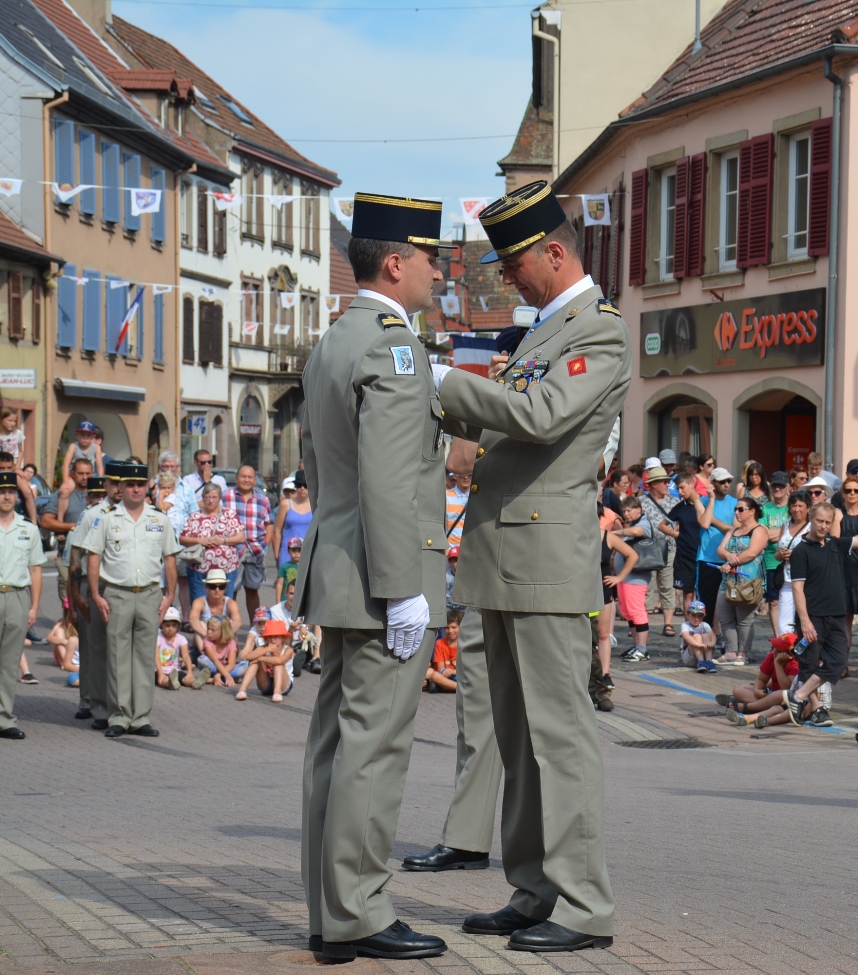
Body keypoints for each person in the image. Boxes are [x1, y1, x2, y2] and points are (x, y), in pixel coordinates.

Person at [436, 181, 628, 952]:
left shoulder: (599, 331)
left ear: (556, 252)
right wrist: (448, 402)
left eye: (515, 264)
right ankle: (534, 887)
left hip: (547, 557)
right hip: (507, 552)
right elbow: (497, 430)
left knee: (560, 736)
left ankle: (583, 903)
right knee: (516, 735)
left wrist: (446, 383)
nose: (506, 278)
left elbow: (544, 418)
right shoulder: (546, 329)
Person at [294, 191, 449, 961]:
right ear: (397, 262)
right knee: (373, 748)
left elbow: (323, 472)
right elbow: (390, 481)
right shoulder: (395, 347)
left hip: (338, 567)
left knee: (334, 746)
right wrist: (404, 587)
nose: (440, 272)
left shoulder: (332, 342)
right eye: (431, 258)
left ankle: (331, 913)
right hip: (384, 575)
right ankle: (359, 909)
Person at [83, 462, 180, 738]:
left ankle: (140, 717)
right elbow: (93, 556)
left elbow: (170, 557)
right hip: (117, 595)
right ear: (121, 488)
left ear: (146, 487)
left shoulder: (159, 519)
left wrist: (170, 594)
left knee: (144, 656)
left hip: (150, 593)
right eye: (129, 485)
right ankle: (119, 716)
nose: (135, 489)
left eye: (140, 485)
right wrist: (95, 594)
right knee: (117, 656)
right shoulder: (108, 518)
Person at [786, 502, 858, 725]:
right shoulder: (800, 551)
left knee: (838, 662)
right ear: (811, 519)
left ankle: (797, 696)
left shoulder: (835, 544)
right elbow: (797, 588)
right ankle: (816, 709)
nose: (824, 526)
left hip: (837, 614)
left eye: (828, 522)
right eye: (820, 521)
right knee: (808, 664)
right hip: (813, 617)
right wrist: (805, 621)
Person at [0, 470, 46, 739]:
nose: (6, 496)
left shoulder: (28, 529)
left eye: (10, 492)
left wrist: (34, 607)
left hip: (17, 597)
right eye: (2, 491)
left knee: (9, 662)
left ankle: (5, 719)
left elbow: (36, 571)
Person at [714, 497, 767, 666]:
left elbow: (752, 553)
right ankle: (730, 652)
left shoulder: (759, 530)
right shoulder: (733, 531)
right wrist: (727, 555)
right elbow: (720, 549)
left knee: (744, 619)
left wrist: (729, 562)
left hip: (748, 582)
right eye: (736, 509)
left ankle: (742, 653)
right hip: (728, 581)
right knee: (724, 615)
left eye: (741, 509)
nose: (737, 512)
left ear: (752, 511)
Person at [180, 483, 245, 601]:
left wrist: (222, 540)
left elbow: (241, 538)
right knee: (199, 605)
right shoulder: (195, 516)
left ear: (220, 499)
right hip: (199, 569)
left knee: (224, 605)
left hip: (226, 569)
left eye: (214, 497)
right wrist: (201, 541)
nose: (210, 501)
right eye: (207, 497)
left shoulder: (229, 515)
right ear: (203, 498)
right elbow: (183, 539)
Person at [224, 465, 273, 620]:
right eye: (243, 476)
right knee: (231, 590)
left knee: (252, 590)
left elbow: (269, 523)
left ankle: (255, 630)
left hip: (255, 550)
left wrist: (266, 543)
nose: (246, 480)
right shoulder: (225, 496)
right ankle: (229, 629)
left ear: (255, 480)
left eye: (250, 477)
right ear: (237, 478)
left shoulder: (263, 500)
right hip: (232, 550)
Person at [597, 508, 638, 686]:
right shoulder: (576, 536)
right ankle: (590, 674)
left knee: (603, 634)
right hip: (583, 591)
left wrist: (619, 578)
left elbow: (632, 555)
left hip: (603, 589)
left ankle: (606, 674)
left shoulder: (607, 537)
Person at [41, 458, 92, 601]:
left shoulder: (100, 494)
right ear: (73, 474)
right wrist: (72, 526)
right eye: (80, 473)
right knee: (68, 599)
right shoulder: (64, 493)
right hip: (67, 554)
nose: (84, 477)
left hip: (93, 554)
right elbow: (46, 521)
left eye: (88, 473)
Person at [154, 451, 196, 620]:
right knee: (161, 582)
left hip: (181, 543)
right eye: (166, 466)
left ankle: (185, 617)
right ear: (160, 468)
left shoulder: (186, 488)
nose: (170, 469)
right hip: (158, 543)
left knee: (183, 581)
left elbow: (193, 514)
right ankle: (162, 617)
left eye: (173, 466)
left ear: (178, 467)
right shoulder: (154, 486)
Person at [695, 467, 738, 630]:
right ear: (712, 483)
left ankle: (724, 637)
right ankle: (705, 635)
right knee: (707, 602)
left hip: (729, 559)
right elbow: (705, 523)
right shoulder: (703, 501)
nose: (727, 484)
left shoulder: (735, 503)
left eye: (729, 481)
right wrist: (712, 499)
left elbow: (735, 529)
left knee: (730, 602)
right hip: (707, 558)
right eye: (722, 482)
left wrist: (714, 520)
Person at [615, 496, 654, 662]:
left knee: (637, 612)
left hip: (636, 577)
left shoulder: (643, 523)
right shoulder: (631, 525)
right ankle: (636, 645)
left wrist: (616, 532)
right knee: (628, 612)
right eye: (624, 511)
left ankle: (642, 649)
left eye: (629, 510)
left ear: (638, 509)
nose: (626, 514)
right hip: (625, 576)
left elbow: (639, 532)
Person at [640, 466, 678, 636]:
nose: (667, 485)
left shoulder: (674, 502)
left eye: (668, 482)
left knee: (666, 586)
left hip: (668, 548)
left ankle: (668, 623)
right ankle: (642, 621)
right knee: (646, 587)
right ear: (653, 484)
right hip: (646, 549)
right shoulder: (641, 502)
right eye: (664, 482)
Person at [716, 634, 800, 708]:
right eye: (774, 648)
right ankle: (762, 705)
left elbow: (786, 688)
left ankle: (748, 705)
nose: (774, 652)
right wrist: (757, 690)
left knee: (782, 696)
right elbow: (761, 680)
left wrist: (778, 664)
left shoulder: (795, 664)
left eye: (778, 651)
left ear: (790, 655)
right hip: (770, 694)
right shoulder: (771, 655)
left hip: (783, 696)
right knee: (738, 690)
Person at [659, 473, 701, 613]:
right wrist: (675, 534)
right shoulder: (680, 507)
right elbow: (662, 525)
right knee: (687, 593)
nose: (680, 492)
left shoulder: (704, 503)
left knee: (704, 594)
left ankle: (708, 629)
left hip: (703, 554)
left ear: (691, 485)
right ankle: (688, 628)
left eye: (682, 488)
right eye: (678, 489)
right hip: (685, 555)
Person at [773, 492, 811, 638]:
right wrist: (781, 555)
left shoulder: (811, 527)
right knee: (784, 623)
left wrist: (797, 555)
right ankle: (787, 654)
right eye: (794, 506)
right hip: (787, 578)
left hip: (807, 580)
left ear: (807, 508)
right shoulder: (785, 525)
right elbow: (777, 553)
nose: (797, 509)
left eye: (800, 506)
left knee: (806, 619)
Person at [758, 471, 791, 633]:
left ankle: (790, 635)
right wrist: (783, 533)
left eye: (781, 486)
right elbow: (763, 534)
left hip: (791, 560)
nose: (778, 489)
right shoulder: (765, 509)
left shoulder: (793, 507)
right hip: (771, 560)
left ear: (788, 488)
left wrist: (774, 533)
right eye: (775, 485)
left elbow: (795, 531)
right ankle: (778, 638)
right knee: (774, 601)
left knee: (791, 599)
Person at [235, 618, 293, 701]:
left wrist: (260, 658)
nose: (273, 640)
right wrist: (267, 650)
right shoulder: (264, 648)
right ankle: (242, 690)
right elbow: (248, 656)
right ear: (266, 639)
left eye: (276, 637)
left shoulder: (288, 650)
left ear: (283, 638)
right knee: (254, 663)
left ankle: (277, 692)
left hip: (283, 685)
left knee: (278, 664)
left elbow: (279, 660)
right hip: (266, 684)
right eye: (270, 637)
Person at [188, 568, 243, 654]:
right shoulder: (199, 602)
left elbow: (238, 622)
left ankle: (226, 656)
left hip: (223, 641)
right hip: (206, 639)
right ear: (207, 587)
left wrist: (221, 635)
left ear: (225, 588)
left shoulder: (231, 603)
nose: (217, 590)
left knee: (231, 623)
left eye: (221, 586)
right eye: (213, 586)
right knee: (200, 626)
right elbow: (193, 619)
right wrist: (206, 634)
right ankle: (208, 656)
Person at [273, 470, 312, 568]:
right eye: (299, 485)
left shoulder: (316, 505)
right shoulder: (285, 504)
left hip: (310, 554)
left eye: (305, 485)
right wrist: (277, 554)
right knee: (287, 582)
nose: (302, 488)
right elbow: (277, 531)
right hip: (288, 555)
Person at [155, 607, 199, 689]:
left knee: (186, 678)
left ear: (178, 626)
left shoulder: (181, 638)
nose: (171, 629)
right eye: (167, 625)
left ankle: (195, 682)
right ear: (161, 625)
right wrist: (160, 673)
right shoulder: (158, 638)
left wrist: (190, 672)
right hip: (159, 670)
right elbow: (156, 656)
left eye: (174, 625)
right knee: (162, 680)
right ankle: (170, 683)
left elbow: (186, 656)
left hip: (175, 671)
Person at [837, 475, 858, 646]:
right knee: (845, 620)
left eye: (856, 490)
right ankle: (842, 663)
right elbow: (835, 542)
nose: (852, 493)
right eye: (848, 490)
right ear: (843, 493)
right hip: (843, 571)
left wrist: (845, 542)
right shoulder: (838, 514)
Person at [196, 615, 244, 688]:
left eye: (213, 630)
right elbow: (216, 661)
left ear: (223, 631)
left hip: (227, 669)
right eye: (208, 628)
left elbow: (231, 664)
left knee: (247, 665)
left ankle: (215, 678)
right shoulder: (207, 641)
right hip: (213, 668)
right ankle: (222, 678)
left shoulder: (231, 642)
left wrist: (219, 675)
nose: (209, 632)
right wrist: (228, 676)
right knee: (202, 659)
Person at [424, 610, 461, 692]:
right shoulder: (440, 643)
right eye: (447, 628)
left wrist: (454, 671)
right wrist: (448, 672)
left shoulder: (464, 643)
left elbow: (466, 669)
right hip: (444, 676)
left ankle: (445, 687)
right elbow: (441, 669)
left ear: (460, 627)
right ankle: (459, 688)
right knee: (432, 674)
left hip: (460, 675)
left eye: (454, 627)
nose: (450, 631)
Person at [59, 420, 104, 486]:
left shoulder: (96, 448)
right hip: (74, 477)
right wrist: (66, 482)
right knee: (66, 490)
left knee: (98, 492)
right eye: (82, 435)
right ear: (77, 435)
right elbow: (65, 465)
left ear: (93, 437)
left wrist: (100, 481)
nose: (85, 438)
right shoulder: (73, 447)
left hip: (89, 476)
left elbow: (99, 466)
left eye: (88, 435)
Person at [47, 599, 80, 686]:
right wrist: (64, 641)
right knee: (58, 632)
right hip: (64, 652)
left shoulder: (80, 623)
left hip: (74, 652)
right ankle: (65, 662)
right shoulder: (63, 623)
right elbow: (49, 638)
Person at [679, 600, 716, 671]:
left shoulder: (705, 625)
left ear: (704, 616)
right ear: (687, 614)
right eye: (693, 615)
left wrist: (712, 643)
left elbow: (713, 635)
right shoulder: (685, 625)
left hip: (704, 653)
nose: (696, 619)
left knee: (706, 635)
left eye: (700, 616)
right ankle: (700, 660)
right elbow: (686, 636)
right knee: (696, 636)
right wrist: (697, 644)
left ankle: (709, 661)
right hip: (690, 658)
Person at [445, 472, 471, 549]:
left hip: (471, 552)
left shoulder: (479, 498)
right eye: (462, 473)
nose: (466, 477)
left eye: (469, 473)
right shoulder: (445, 496)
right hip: (449, 553)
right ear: (455, 475)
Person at [275, 537, 302, 601]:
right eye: (294, 550)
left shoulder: (305, 567)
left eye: (299, 550)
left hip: (300, 600)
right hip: (285, 599)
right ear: (288, 551)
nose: (296, 553)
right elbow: (279, 584)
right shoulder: (285, 566)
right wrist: (278, 600)